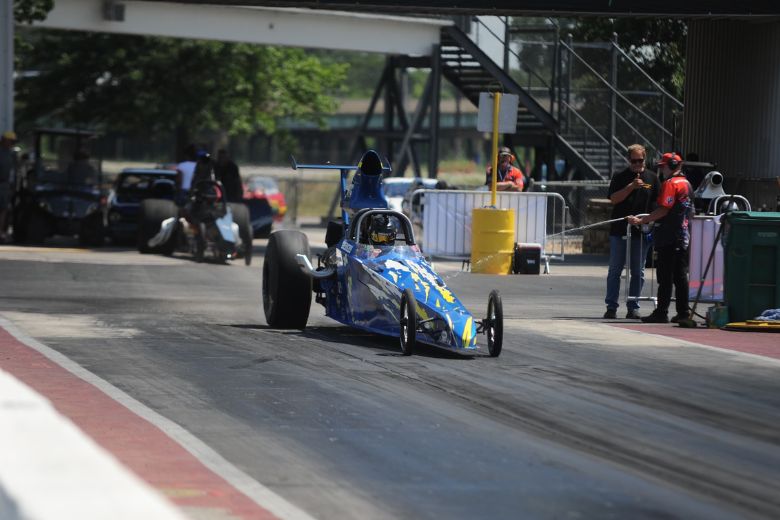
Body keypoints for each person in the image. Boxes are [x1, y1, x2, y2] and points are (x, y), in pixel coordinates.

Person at [628, 152, 693, 324]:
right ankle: (683, 312)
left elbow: (663, 209)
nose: (661, 170)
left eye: (663, 166)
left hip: (669, 236)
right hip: (683, 236)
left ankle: (661, 312)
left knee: (665, 277)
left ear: (670, 166)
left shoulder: (671, 184)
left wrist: (642, 220)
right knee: (680, 276)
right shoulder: (687, 183)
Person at [603, 144, 659, 319]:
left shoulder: (653, 178)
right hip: (620, 230)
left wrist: (647, 221)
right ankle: (611, 306)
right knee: (615, 270)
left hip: (641, 231)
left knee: (638, 271)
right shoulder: (619, 177)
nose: (637, 164)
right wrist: (630, 187)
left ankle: (633, 305)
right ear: (629, 160)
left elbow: (657, 204)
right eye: (634, 161)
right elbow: (613, 199)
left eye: (640, 160)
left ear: (645, 159)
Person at [0, 131, 17, 242]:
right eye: (10, 141)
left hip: (4, 184)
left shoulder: (11, 154)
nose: (11, 143)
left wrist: (12, 186)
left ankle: (1, 231)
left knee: (3, 209)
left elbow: (13, 171)